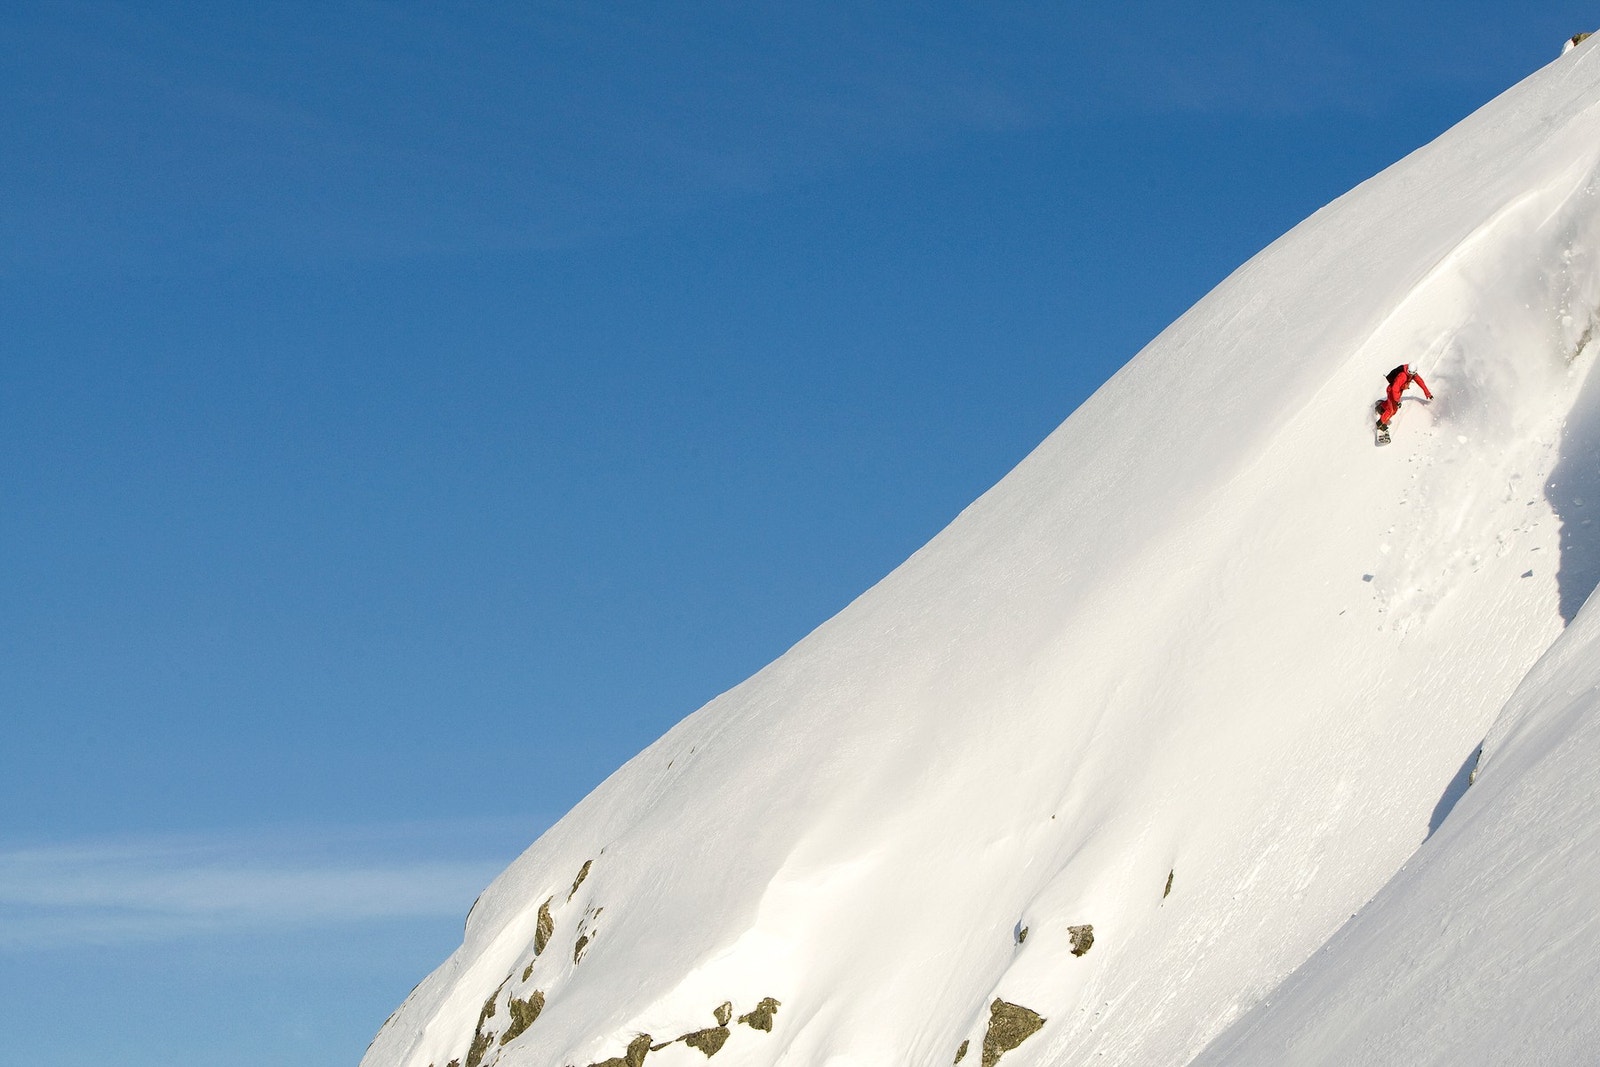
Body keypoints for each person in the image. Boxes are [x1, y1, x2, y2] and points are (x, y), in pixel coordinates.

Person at [1376, 363, 1432, 430]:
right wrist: (1397, 401)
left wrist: (1427, 393)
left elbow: (1420, 382)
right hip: (1392, 392)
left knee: (1391, 405)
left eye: (1412, 373)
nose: (1410, 374)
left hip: (1397, 392)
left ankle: (1381, 407)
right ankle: (1380, 424)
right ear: (1408, 370)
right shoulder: (1403, 376)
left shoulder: (1413, 375)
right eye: (1409, 372)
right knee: (1392, 410)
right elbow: (1394, 389)